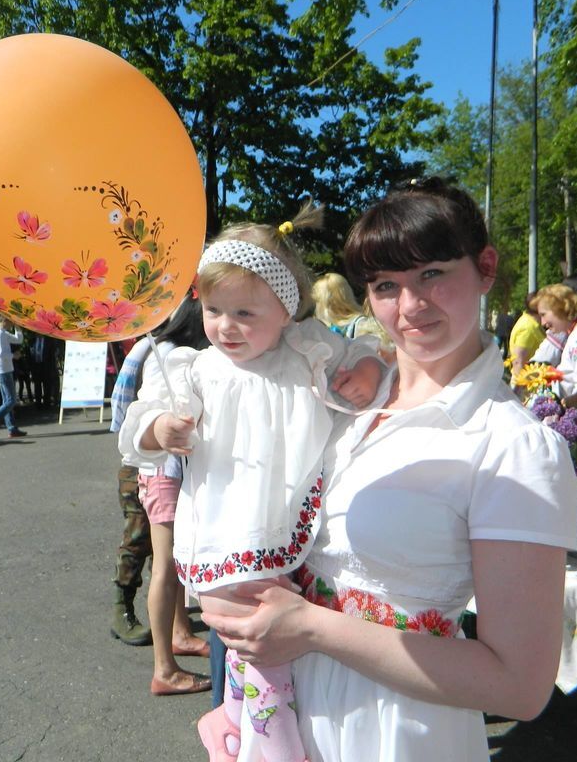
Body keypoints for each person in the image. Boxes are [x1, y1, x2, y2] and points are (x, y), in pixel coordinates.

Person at [201, 177, 577, 762]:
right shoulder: (343, 400)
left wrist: (310, 628)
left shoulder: (514, 446)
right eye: (384, 285)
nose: (409, 306)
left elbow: (521, 687)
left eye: (431, 274)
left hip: (398, 729)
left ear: (485, 267)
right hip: (290, 710)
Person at [119, 202, 384, 762]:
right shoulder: (196, 369)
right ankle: (270, 745)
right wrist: (162, 428)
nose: (225, 327)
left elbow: (366, 355)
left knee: (281, 651)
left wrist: (364, 373)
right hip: (226, 530)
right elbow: (140, 422)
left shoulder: (306, 350)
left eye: (244, 312)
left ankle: (238, 726)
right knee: (255, 646)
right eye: (214, 309)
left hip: (301, 527)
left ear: (285, 310)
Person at [110, 293, 213, 693]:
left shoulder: (176, 350)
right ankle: (164, 669)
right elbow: (127, 416)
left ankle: (180, 635)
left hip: (168, 472)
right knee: (166, 567)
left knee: (173, 565)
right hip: (161, 473)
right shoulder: (165, 353)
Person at [507, 292, 545, 378]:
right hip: (526, 384)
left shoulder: (532, 324)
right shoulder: (527, 328)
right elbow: (518, 362)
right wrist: (522, 388)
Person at [31, 335, 60, 408]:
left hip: (46, 366)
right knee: (37, 385)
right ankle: (38, 404)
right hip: (36, 365)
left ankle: (47, 403)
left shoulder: (49, 341)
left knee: (46, 385)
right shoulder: (32, 340)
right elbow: (30, 354)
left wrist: (52, 368)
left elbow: (52, 356)